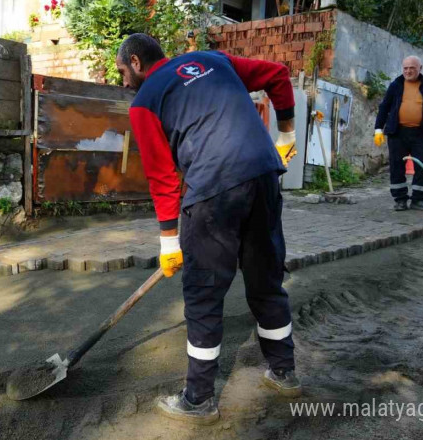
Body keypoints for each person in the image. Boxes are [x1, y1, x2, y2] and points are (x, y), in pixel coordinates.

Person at [116, 33, 300, 425]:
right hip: (265, 175)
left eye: (122, 73)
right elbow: (279, 75)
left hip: (214, 187)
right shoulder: (212, 60)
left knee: (203, 294)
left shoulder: (145, 103)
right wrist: (286, 133)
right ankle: (284, 372)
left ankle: (198, 399)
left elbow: (162, 177)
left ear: (135, 62)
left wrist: (169, 241)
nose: (123, 83)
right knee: (266, 279)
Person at [374, 55, 423, 211]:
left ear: (420, 68)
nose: (408, 71)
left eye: (412, 67)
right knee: (397, 166)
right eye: (405, 68)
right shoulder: (395, 85)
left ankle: (419, 200)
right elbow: (384, 107)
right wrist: (378, 129)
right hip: (397, 133)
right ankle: (400, 200)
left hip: (420, 133)